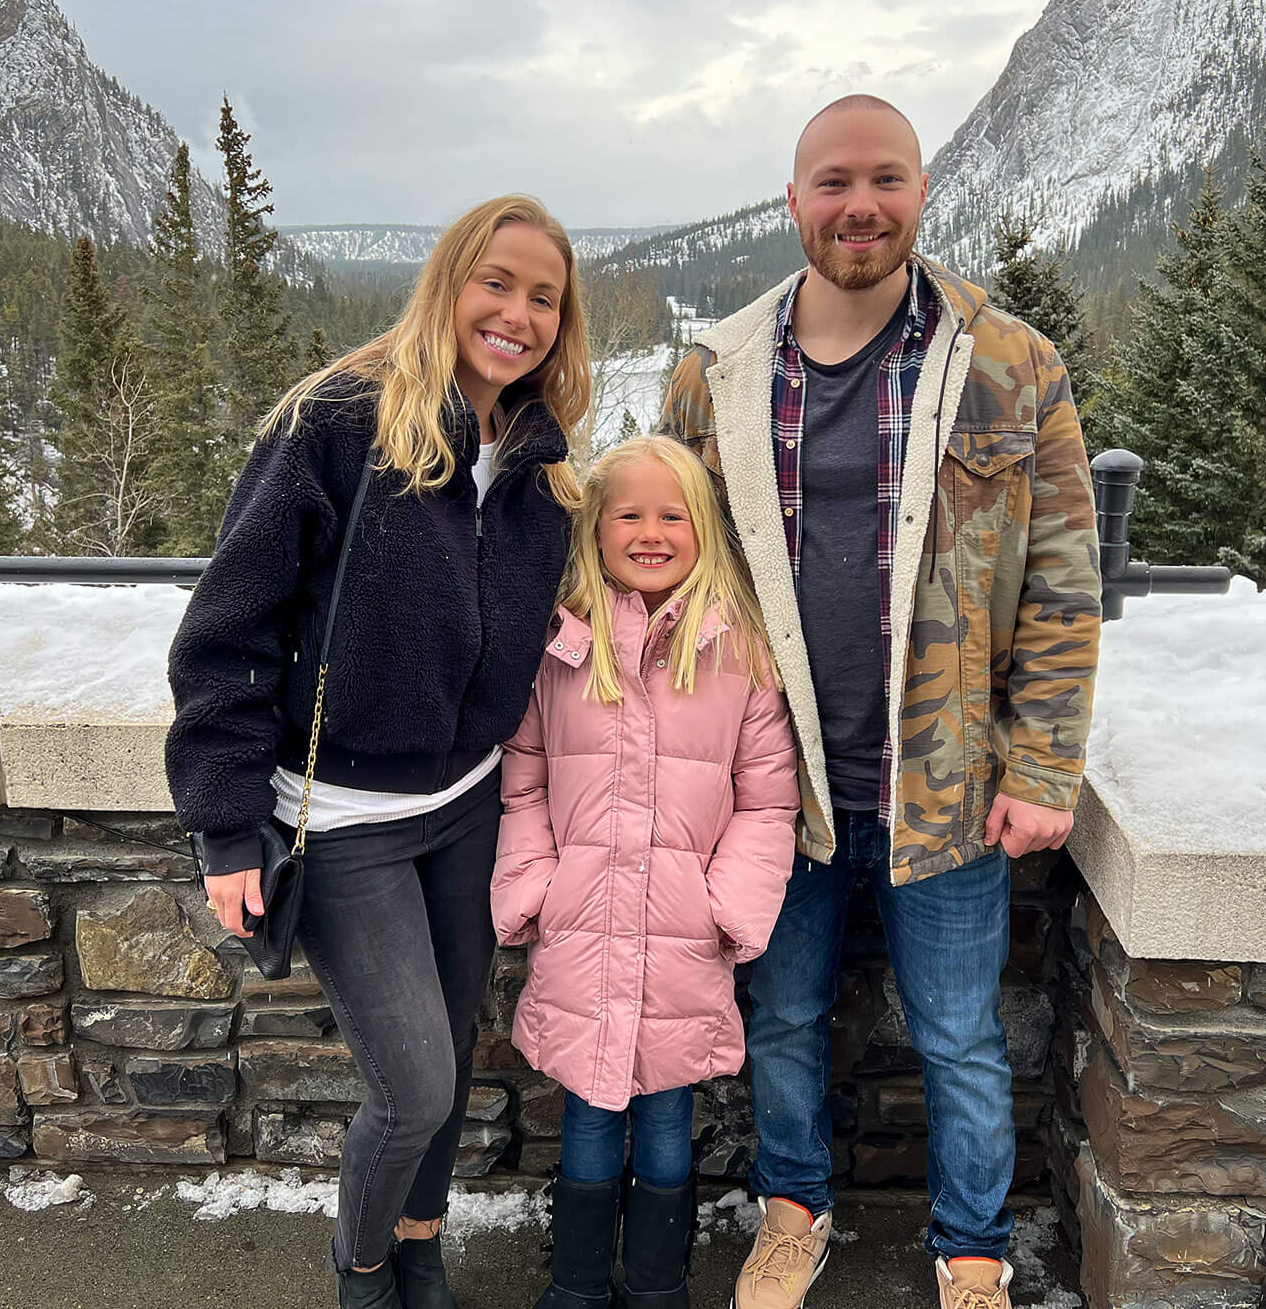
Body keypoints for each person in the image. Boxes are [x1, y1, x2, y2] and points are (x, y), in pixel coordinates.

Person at [660, 96, 1103, 1309]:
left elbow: (1065, 578)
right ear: (794, 199)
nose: (863, 204)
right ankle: (793, 1213)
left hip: (948, 781)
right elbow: (668, 576)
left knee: (960, 1037)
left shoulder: (1013, 364)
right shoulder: (716, 373)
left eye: (888, 179)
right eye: (836, 181)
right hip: (774, 781)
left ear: (919, 192)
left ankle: (971, 1253)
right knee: (786, 1015)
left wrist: (1045, 766)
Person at [165, 195, 591, 1309]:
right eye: (495, 283)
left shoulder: (539, 460)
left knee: (447, 1074)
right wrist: (222, 824)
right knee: (411, 1084)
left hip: (468, 804)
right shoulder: (338, 423)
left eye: (545, 297)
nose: (518, 313)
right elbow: (227, 630)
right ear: (448, 283)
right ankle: (362, 1276)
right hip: (340, 818)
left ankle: (419, 1245)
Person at [492, 435, 799, 1309]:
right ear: (596, 528)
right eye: (629, 513)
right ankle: (579, 1287)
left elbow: (766, 802)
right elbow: (525, 780)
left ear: (702, 526)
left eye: (673, 514)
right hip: (582, 928)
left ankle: (659, 1288)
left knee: (668, 1118)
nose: (651, 531)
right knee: (588, 1114)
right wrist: (534, 887)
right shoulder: (561, 648)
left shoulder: (737, 653)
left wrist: (723, 906)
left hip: (682, 939)